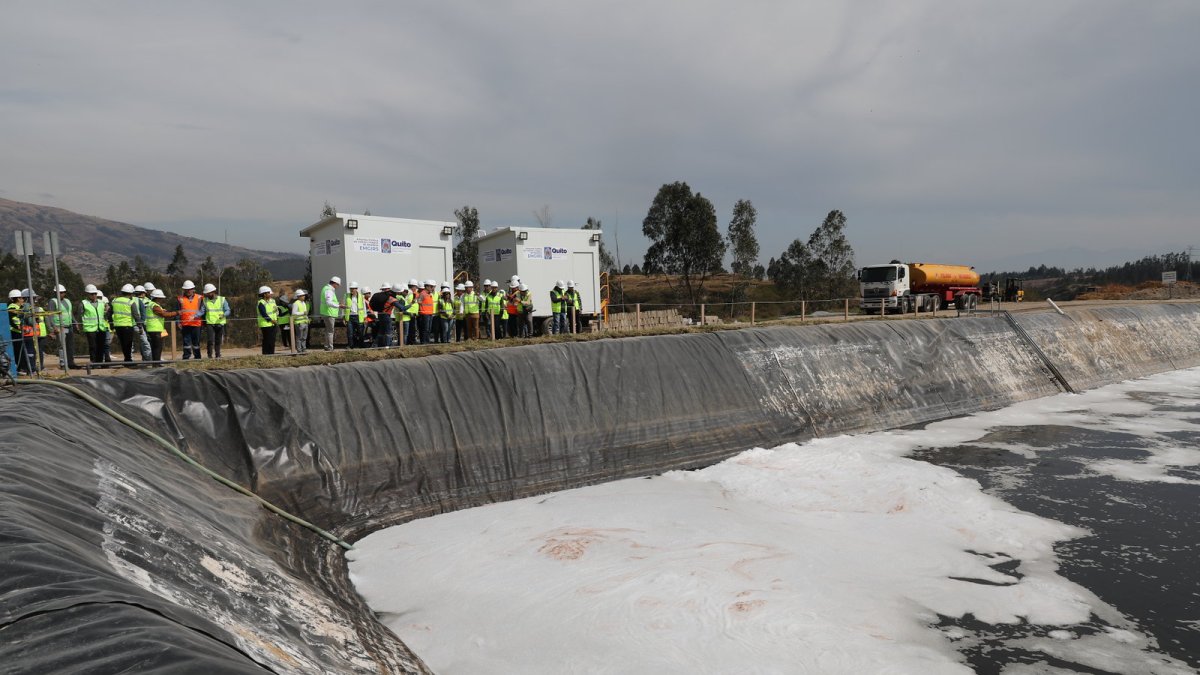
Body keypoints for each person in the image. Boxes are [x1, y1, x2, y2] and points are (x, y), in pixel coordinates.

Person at [145, 289, 177, 364]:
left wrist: (163, 311)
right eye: (161, 298)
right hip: (155, 329)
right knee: (157, 348)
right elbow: (164, 315)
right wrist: (176, 313)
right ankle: (156, 364)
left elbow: (160, 313)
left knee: (155, 347)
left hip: (154, 329)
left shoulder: (151, 304)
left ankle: (156, 363)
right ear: (157, 298)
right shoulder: (155, 306)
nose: (162, 300)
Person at [49, 284, 78, 369]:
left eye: (63, 292)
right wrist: (54, 327)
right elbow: (50, 315)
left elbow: (70, 313)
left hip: (69, 326)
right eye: (60, 292)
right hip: (60, 326)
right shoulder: (53, 301)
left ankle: (71, 363)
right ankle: (63, 364)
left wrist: (75, 322)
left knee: (70, 346)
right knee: (62, 346)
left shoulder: (67, 301)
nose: (61, 294)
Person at [110, 283, 137, 365]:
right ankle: (128, 360)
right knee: (128, 344)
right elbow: (136, 315)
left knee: (123, 343)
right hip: (127, 326)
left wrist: (111, 324)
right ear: (131, 293)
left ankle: (127, 359)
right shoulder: (131, 302)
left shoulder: (114, 301)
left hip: (118, 326)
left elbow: (109, 313)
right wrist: (140, 325)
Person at [177, 280, 203, 360]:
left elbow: (203, 310)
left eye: (190, 289)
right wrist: (178, 322)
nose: (188, 291)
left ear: (193, 289)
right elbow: (177, 311)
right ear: (184, 290)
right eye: (186, 289)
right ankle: (186, 357)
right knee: (186, 342)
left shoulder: (199, 298)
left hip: (196, 324)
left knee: (196, 342)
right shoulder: (180, 299)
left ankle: (197, 357)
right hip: (185, 324)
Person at [80, 285, 105, 366]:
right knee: (93, 347)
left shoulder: (101, 302)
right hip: (90, 328)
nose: (94, 295)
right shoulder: (83, 303)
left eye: (95, 293)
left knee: (101, 346)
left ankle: (100, 362)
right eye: (92, 294)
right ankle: (94, 362)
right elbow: (80, 315)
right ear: (87, 294)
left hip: (101, 328)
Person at [318, 275, 343, 351]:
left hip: (327, 313)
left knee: (328, 331)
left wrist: (338, 304)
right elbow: (329, 303)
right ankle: (330, 347)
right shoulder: (329, 290)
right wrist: (339, 305)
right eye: (338, 285)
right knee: (330, 332)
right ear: (334, 283)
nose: (338, 287)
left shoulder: (325, 288)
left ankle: (326, 346)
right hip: (329, 313)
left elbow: (330, 302)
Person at [368, 283, 397, 348]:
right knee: (388, 331)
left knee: (381, 331)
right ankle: (387, 345)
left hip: (379, 315)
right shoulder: (389, 297)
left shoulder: (377, 296)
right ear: (388, 289)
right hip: (386, 315)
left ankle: (378, 345)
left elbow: (371, 305)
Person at [257, 286, 279, 355]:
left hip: (274, 323)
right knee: (267, 340)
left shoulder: (273, 301)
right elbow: (263, 313)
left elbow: (276, 311)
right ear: (264, 294)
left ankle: (271, 354)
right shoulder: (261, 303)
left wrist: (276, 318)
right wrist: (271, 320)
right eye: (269, 293)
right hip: (265, 324)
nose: (270, 294)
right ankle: (266, 355)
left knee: (272, 340)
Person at [344, 281, 366, 349]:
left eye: (353, 288)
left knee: (360, 333)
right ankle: (350, 345)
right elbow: (344, 307)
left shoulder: (361, 296)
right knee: (350, 333)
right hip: (349, 317)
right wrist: (343, 317)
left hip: (359, 316)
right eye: (350, 288)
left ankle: (361, 345)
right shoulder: (346, 296)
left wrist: (365, 317)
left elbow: (364, 307)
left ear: (356, 289)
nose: (351, 290)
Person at [133, 286, 152, 361]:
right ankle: (148, 357)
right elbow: (143, 313)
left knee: (144, 341)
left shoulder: (146, 300)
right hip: (140, 324)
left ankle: (146, 357)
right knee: (145, 341)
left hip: (140, 323)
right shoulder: (138, 300)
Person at [291, 289, 311, 354]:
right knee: (299, 337)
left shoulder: (303, 303)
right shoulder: (296, 303)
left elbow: (305, 313)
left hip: (305, 322)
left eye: (304, 295)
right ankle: (299, 350)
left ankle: (303, 349)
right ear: (298, 296)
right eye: (302, 295)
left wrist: (307, 319)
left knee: (304, 337)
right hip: (299, 323)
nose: (304, 296)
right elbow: (293, 313)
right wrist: (302, 313)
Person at [403, 279, 420, 345]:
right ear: (412, 286)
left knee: (412, 329)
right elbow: (407, 304)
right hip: (410, 314)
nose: (416, 288)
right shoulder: (409, 294)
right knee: (411, 329)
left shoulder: (412, 294)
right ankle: (411, 342)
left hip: (412, 313)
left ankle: (411, 341)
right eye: (415, 287)